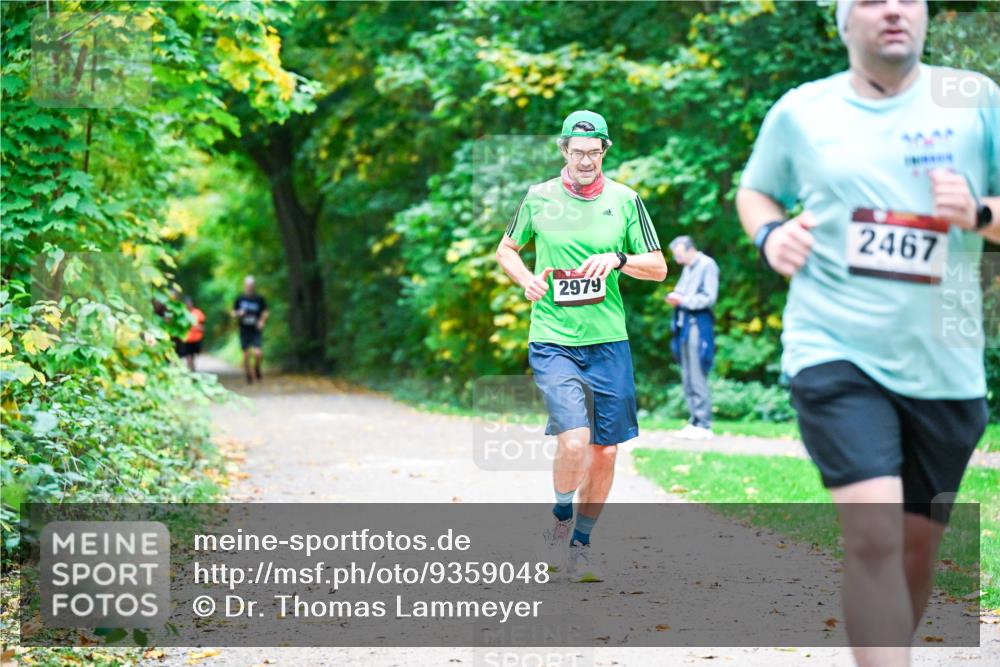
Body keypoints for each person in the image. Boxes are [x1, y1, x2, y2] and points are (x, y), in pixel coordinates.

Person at [736, 0, 997, 664]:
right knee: (874, 538)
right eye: (871, 0)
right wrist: (772, 236)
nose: (892, 11)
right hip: (834, 348)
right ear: (842, 21)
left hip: (946, 364)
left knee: (915, 548)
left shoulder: (974, 102)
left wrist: (976, 211)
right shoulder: (802, 111)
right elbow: (756, 192)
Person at [495, 110, 667, 582]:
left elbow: (658, 267)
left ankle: (582, 544)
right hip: (554, 339)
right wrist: (527, 279)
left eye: (594, 153)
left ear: (604, 151)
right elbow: (506, 249)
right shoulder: (539, 198)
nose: (586, 160)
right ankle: (559, 515)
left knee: (605, 452)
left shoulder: (626, 201)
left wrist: (618, 258)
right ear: (564, 151)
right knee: (574, 440)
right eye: (577, 152)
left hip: (609, 341)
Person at [665, 236, 718, 440]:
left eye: (679, 255)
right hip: (683, 324)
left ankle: (704, 424)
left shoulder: (707, 265)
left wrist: (683, 300)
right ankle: (694, 420)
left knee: (697, 373)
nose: (678, 260)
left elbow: (709, 297)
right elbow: (682, 291)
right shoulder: (688, 267)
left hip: (698, 324)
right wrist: (675, 296)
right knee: (687, 374)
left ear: (690, 249)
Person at [232, 276, 269, 384]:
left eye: (251, 286)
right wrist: (239, 313)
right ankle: (248, 374)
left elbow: (266, 311)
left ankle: (257, 368)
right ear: (245, 286)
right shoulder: (240, 298)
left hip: (255, 330)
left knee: (258, 353)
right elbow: (233, 313)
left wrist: (262, 321)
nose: (249, 287)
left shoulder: (259, 298)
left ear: (254, 286)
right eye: (248, 285)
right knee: (246, 354)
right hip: (244, 330)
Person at [179, 296, 206, 372]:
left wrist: (196, 327)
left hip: (196, 339)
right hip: (186, 339)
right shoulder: (182, 313)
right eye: (186, 303)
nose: (188, 305)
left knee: (192, 355)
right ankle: (189, 370)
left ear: (192, 303)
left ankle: (192, 369)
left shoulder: (198, 313)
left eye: (189, 303)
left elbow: (203, 326)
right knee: (188, 356)